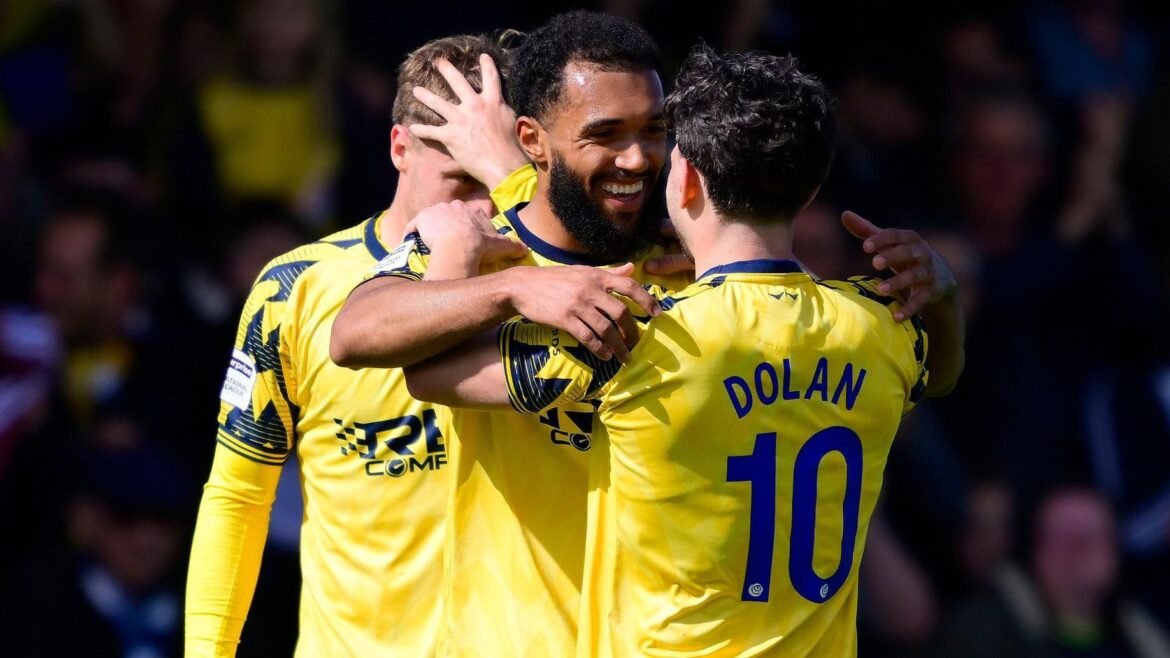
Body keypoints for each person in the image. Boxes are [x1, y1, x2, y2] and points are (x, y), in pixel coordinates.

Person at [331, 12, 963, 657]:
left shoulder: (656, 312)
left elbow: (425, 373)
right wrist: (513, 286)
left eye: (655, 131)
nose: (636, 158)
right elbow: (354, 333)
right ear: (533, 140)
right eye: (606, 134)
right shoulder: (479, 248)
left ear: (683, 171)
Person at [183, 34, 540, 657]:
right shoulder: (294, 290)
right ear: (400, 147)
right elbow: (239, 496)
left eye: (499, 178)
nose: (483, 208)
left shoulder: (559, 284)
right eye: (461, 180)